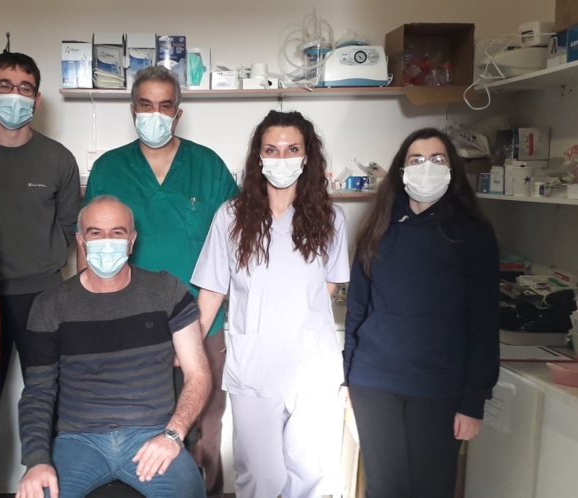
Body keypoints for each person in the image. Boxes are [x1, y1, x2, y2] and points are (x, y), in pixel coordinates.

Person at [82, 65, 238, 497]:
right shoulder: (109, 168)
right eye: (146, 105)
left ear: (177, 113)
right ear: (133, 110)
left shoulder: (207, 166)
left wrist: (197, 331)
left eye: (165, 106)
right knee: (138, 432)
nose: (155, 114)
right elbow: (88, 245)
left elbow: (234, 246)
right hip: (128, 327)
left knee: (204, 429)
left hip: (203, 322)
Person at [191, 110, 349, 498]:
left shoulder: (331, 218)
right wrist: (189, 350)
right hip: (254, 367)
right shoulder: (231, 217)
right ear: (258, 157)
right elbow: (212, 291)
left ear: (307, 157)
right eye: (272, 150)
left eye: (292, 149)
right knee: (260, 477)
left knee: (310, 474)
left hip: (312, 368)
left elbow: (328, 287)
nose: (282, 158)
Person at [16, 196, 211, 498]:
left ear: (131, 241)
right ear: (81, 242)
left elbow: (198, 373)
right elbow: (38, 392)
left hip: (152, 435)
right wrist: (37, 461)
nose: (107, 243)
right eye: (96, 233)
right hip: (78, 440)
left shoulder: (167, 292)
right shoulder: (49, 305)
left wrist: (173, 435)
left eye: (117, 233)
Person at [342, 128, 500, 498]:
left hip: (439, 387)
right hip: (374, 382)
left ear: (451, 169)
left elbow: (483, 322)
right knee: (383, 488)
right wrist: (347, 376)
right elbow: (358, 308)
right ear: (402, 170)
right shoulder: (378, 228)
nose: (426, 167)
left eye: (437, 159)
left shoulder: (473, 234)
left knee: (431, 489)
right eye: (416, 160)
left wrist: (474, 400)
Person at [0, 52, 80, 404]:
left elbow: (68, 224)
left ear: (36, 99)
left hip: (42, 295)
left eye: (25, 88)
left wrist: (40, 259)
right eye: (5, 86)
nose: (15, 94)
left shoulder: (58, 158)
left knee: (49, 394)